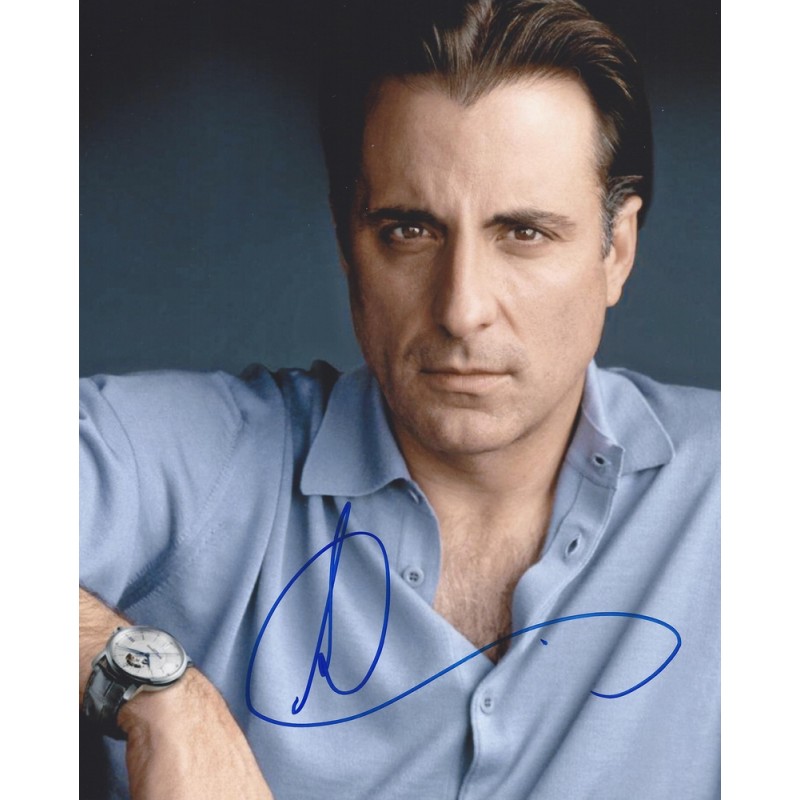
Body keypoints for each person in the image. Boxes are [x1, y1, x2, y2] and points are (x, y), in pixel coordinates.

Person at [80, 1, 720, 797]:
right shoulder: (199, 463)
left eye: (523, 233)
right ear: (347, 242)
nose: (462, 308)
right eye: (411, 231)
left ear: (615, 250)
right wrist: (156, 694)